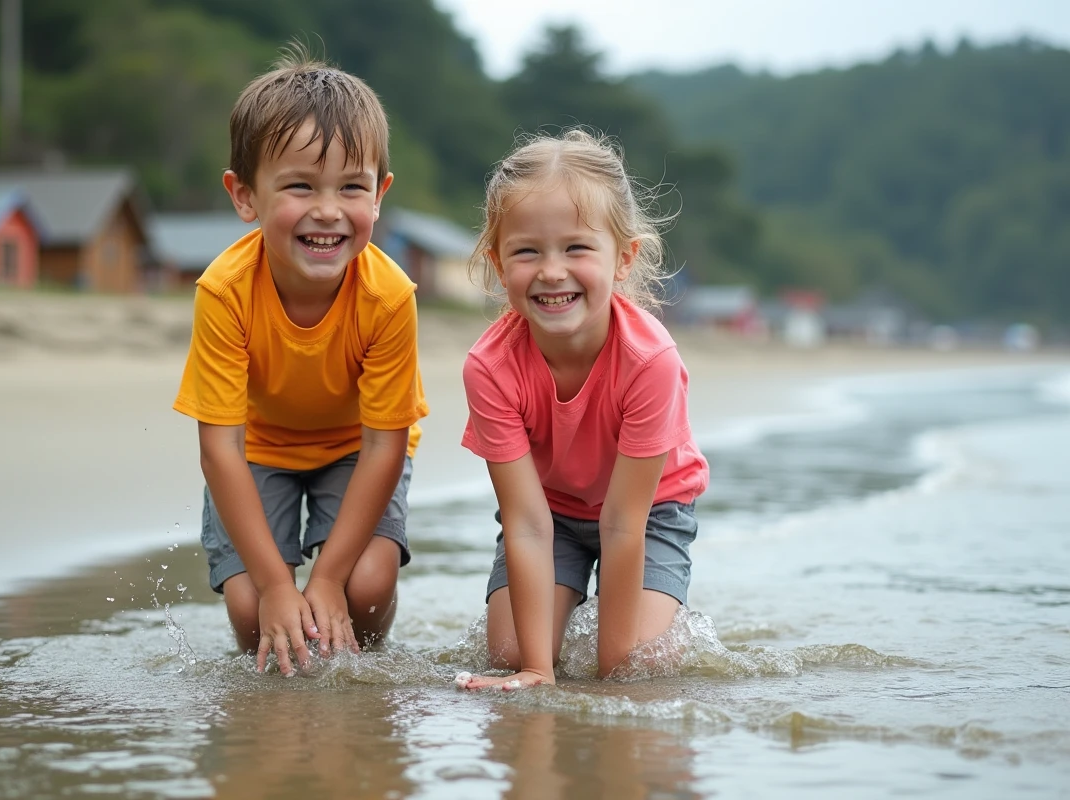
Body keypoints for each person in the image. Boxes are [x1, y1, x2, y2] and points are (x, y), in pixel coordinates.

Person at [173, 49, 427, 676]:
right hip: (259, 451)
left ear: (380, 194)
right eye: (300, 186)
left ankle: (362, 666)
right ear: (245, 195)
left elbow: (385, 444)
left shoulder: (389, 297)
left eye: (351, 187)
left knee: (365, 588)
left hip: (356, 449)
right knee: (252, 612)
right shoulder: (225, 292)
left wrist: (330, 578)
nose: (328, 210)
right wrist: (277, 586)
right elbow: (220, 450)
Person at [456, 129, 708, 691]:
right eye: (527, 251)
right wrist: (535, 670)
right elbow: (525, 523)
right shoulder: (490, 368)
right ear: (498, 263)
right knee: (507, 652)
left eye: (576, 248)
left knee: (639, 665)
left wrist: (613, 671)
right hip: (549, 509)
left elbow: (624, 522)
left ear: (624, 258)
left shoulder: (650, 361)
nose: (552, 271)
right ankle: (559, 627)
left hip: (651, 509)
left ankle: (660, 615)